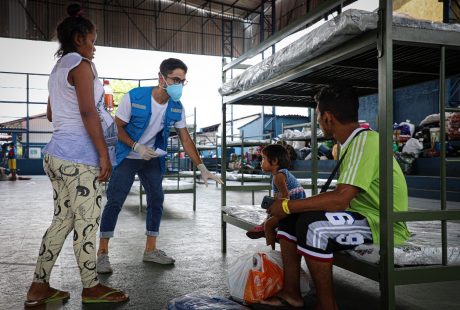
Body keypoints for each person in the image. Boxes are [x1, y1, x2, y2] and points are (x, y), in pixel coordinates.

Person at [262, 86, 410, 310]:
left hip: (383, 222)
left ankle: (327, 305)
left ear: (328, 117)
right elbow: (340, 197)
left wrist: (287, 205)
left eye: (318, 116)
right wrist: (284, 212)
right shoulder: (348, 145)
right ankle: (292, 293)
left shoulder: (365, 142)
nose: (319, 122)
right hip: (360, 214)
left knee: (313, 227)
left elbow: (340, 199)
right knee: (290, 220)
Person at [25, 4, 128, 307]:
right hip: (79, 159)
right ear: (81, 38)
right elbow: (86, 111)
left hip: (56, 154)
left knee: (61, 220)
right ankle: (91, 287)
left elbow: (51, 112)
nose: (94, 48)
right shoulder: (81, 66)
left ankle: (39, 287)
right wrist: (103, 155)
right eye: (93, 41)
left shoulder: (57, 70)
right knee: (87, 222)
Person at [97, 58, 223, 273]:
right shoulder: (134, 96)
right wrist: (136, 146)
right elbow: (117, 129)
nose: (179, 85)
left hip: (153, 157)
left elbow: (185, 138)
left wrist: (202, 167)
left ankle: (151, 250)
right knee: (115, 201)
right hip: (128, 155)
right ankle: (102, 253)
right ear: (161, 77)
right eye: (175, 79)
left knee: (157, 200)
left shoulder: (176, 106)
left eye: (183, 81)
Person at [246, 144, 306, 251]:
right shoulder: (281, 174)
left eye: (263, 158)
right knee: (270, 214)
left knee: (269, 225)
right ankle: (262, 226)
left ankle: (270, 252)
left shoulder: (278, 177)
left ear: (274, 161)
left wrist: (275, 208)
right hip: (295, 207)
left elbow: (285, 196)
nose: (261, 162)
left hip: (293, 210)